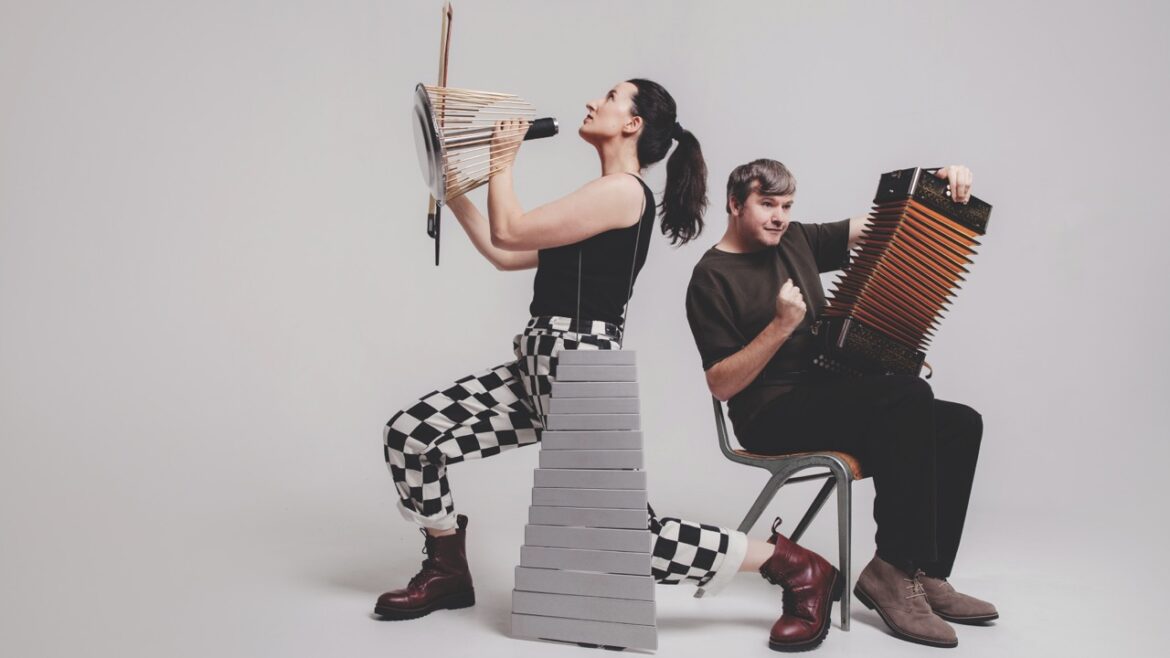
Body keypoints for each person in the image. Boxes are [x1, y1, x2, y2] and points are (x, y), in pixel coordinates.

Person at [378, 82, 841, 652]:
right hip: (539, 362)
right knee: (412, 437)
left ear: (634, 124)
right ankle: (447, 566)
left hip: (579, 371)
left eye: (611, 97)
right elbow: (505, 253)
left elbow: (510, 229)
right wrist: (449, 188)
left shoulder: (624, 193)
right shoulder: (598, 195)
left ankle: (794, 566)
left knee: (627, 538)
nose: (593, 103)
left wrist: (501, 162)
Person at [685, 158, 998, 649]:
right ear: (734, 204)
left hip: (824, 395)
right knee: (907, 396)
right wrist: (780, 326)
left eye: (787, 205)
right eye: (767, 204)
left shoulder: (797, 239)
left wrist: (939, 179)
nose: (779, 217)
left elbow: (885, 221)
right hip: (770, 416)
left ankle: (925, 571)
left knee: (961, 424)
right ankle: (890, 572)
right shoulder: (711, 277)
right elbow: (721, 384)